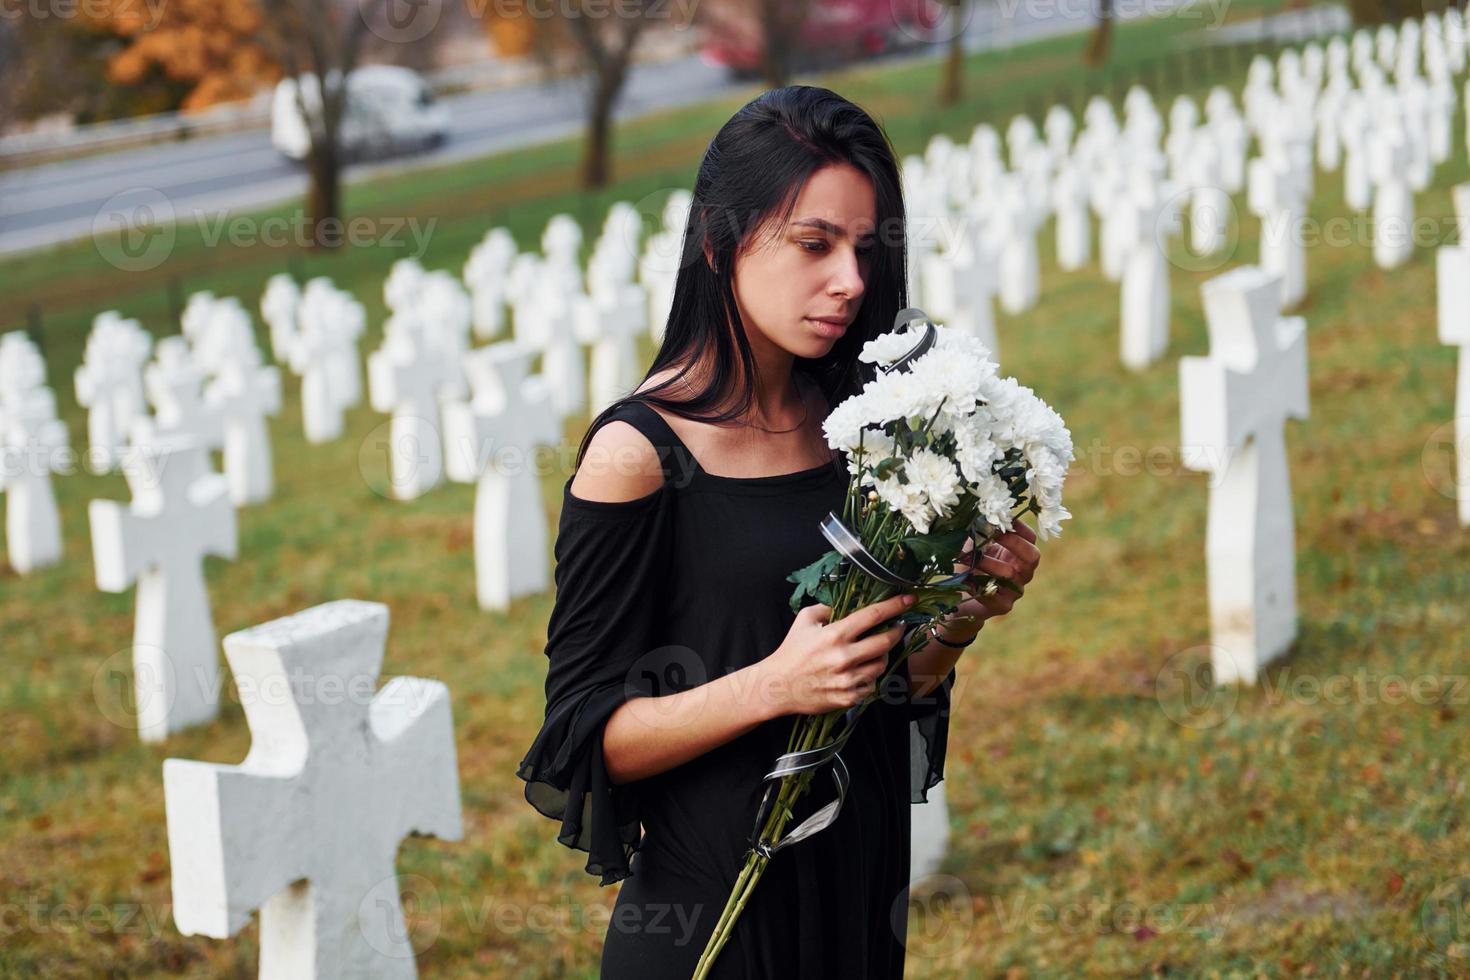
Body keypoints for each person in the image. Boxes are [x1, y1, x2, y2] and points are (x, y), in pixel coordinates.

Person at [515, 85, 1042, 978]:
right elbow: (579, 735)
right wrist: (770, 686)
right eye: (815, 244)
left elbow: (875, 686)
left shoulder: (862, 426)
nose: (852, 281)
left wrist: (960, 617)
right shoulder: (639, 453)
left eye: (867, 250)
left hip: (855, 885)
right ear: (722, 243)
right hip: (714, 915)